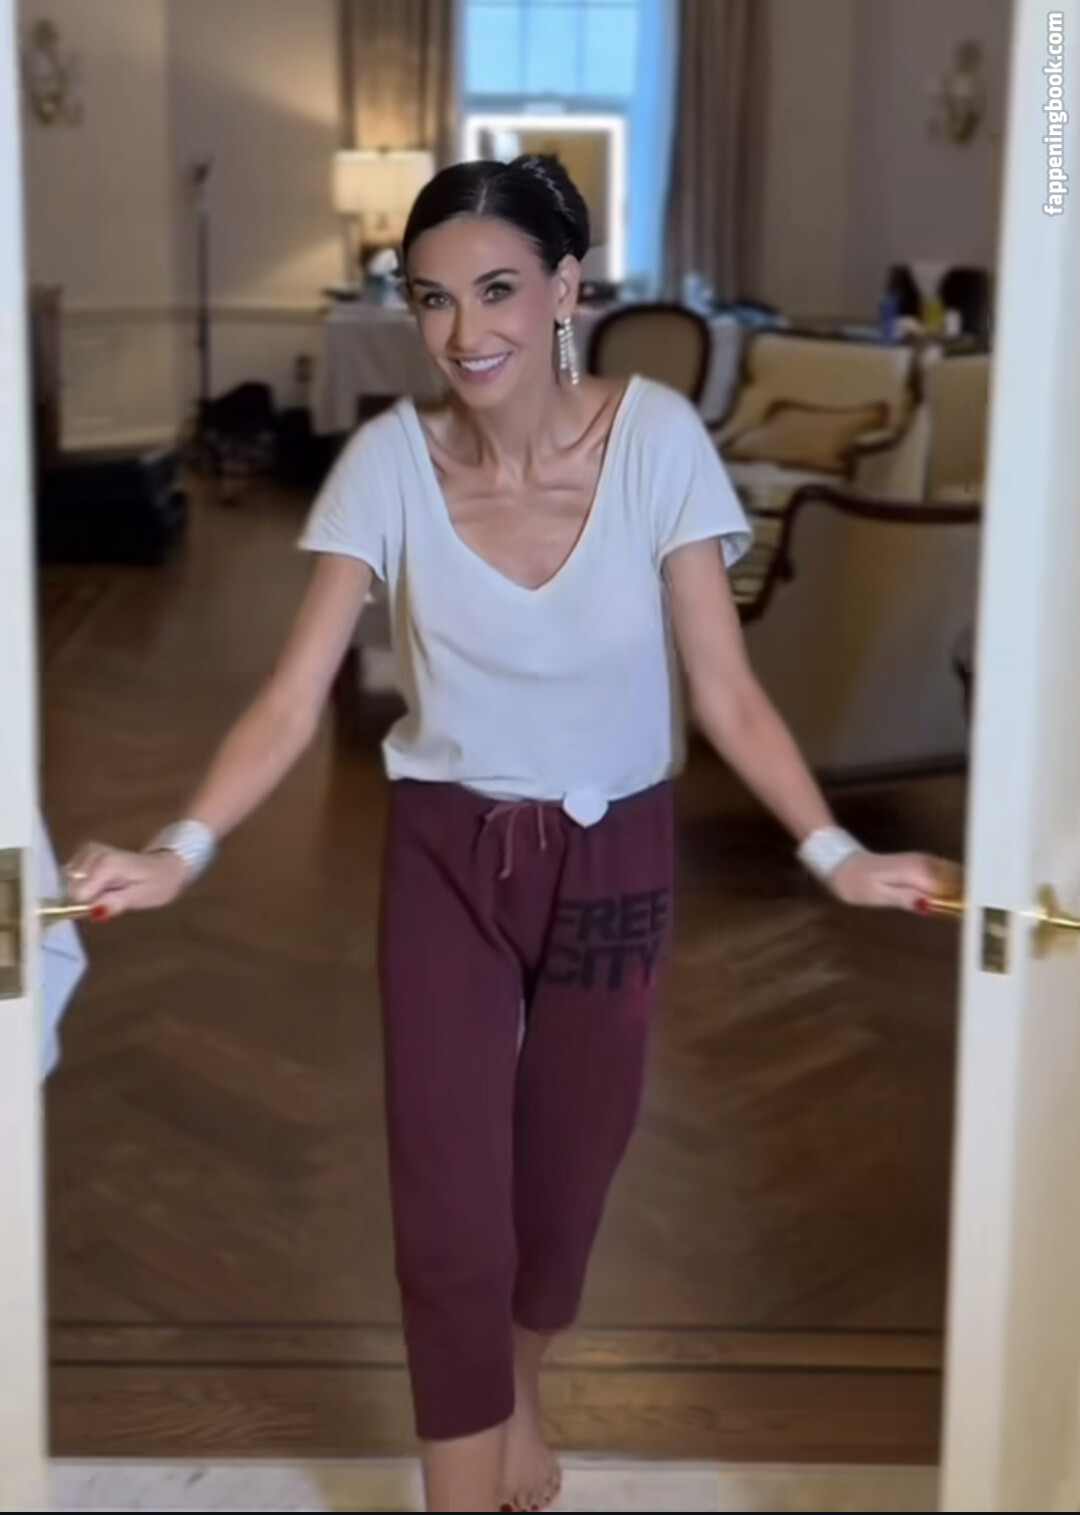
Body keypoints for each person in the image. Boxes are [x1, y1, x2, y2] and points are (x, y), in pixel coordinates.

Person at [66, 156, 960, 1514]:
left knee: (566, 1177)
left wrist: (836, 853)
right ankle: (461, 1482)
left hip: (617, 859)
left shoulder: (657, 441)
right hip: (446, 852)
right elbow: (294, 696)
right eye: (432, 300)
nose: (465, 330)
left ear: (565, 291)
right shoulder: (386, 463)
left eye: (496, 290)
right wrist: (179, 846)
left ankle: (520, 1382)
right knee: (447, 1201)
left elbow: (724, 691)